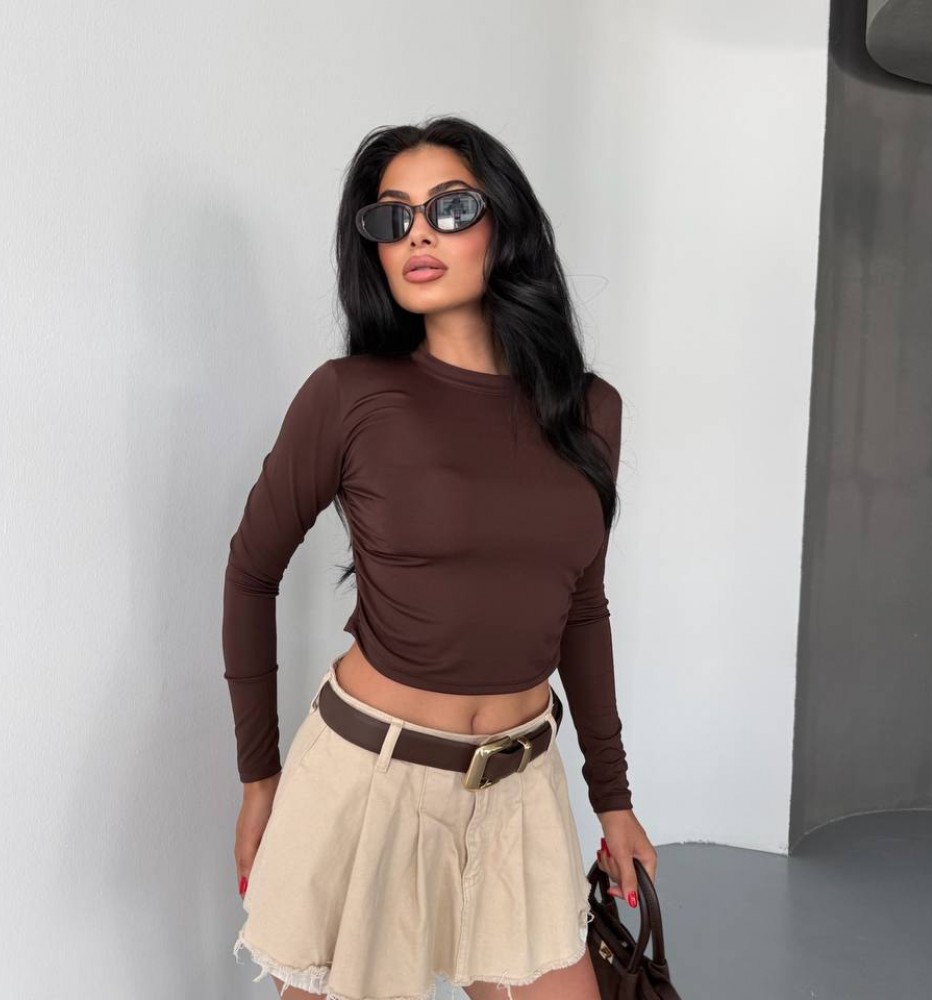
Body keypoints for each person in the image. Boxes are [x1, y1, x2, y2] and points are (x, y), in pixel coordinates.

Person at [222, 115, 657, 1000]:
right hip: (368, 785)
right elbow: (251, 572)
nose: (417, 233)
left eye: (451, 208)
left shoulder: (590, 412)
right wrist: (259, 776)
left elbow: (582, 608)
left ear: (506, 226)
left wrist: (612, 799)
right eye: (392, 218)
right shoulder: (349, 398)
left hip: (521, 789)